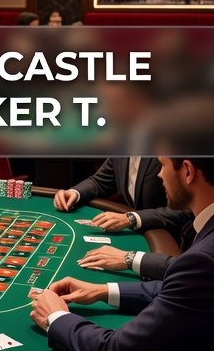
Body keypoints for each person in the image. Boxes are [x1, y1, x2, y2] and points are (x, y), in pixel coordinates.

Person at [23, 127, 214, 351]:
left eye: (163, 165)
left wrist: (57, 318)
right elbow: (178, 292)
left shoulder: (205, 259)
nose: (159, 173)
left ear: (187, 171)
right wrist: (104, 291)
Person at [54, 82, 194, 278]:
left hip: (177, 244)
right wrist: (75, 193)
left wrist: (131, 219)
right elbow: (101, 180)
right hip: (142, 236)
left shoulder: (169, 143)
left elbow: (189, 210)